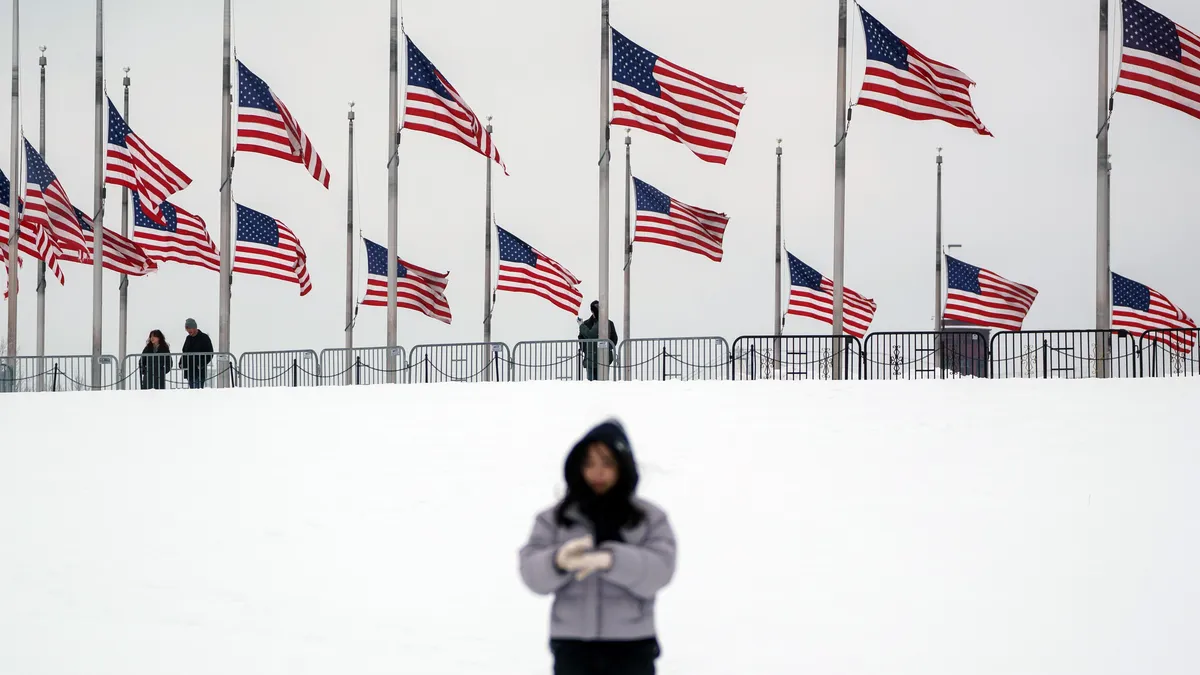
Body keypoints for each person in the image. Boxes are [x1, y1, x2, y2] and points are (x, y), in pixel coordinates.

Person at [519, 420, 676, 675]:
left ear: (622, 466)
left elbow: (661, 570)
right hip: (572, 648)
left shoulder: (649, 518)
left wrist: (612, 560)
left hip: (632, 648)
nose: (597, 473)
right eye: (589, 464)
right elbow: (531, 574)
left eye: (607, 463)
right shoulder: (554, 519)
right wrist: (557, 561)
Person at [577, 300, 618, 381]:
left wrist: (606, 348)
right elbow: (581, 338)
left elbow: (614, 339)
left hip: (604, 358)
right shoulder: (586, 324)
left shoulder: (609, 323)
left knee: (603, 383)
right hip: (590, 359)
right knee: (591, 385)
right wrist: (585, 350)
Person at [180, 318, 214, 389]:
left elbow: (210, 353)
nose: (188, 330)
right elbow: (184, 352)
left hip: (199, 371)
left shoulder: (204, 337)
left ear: (195, 327)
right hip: (189, 370)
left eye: (190, 328)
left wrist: (201, 363)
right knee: (192, 391)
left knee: (198, 391)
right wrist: (181, 363)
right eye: (187, 328)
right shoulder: (188, 338)